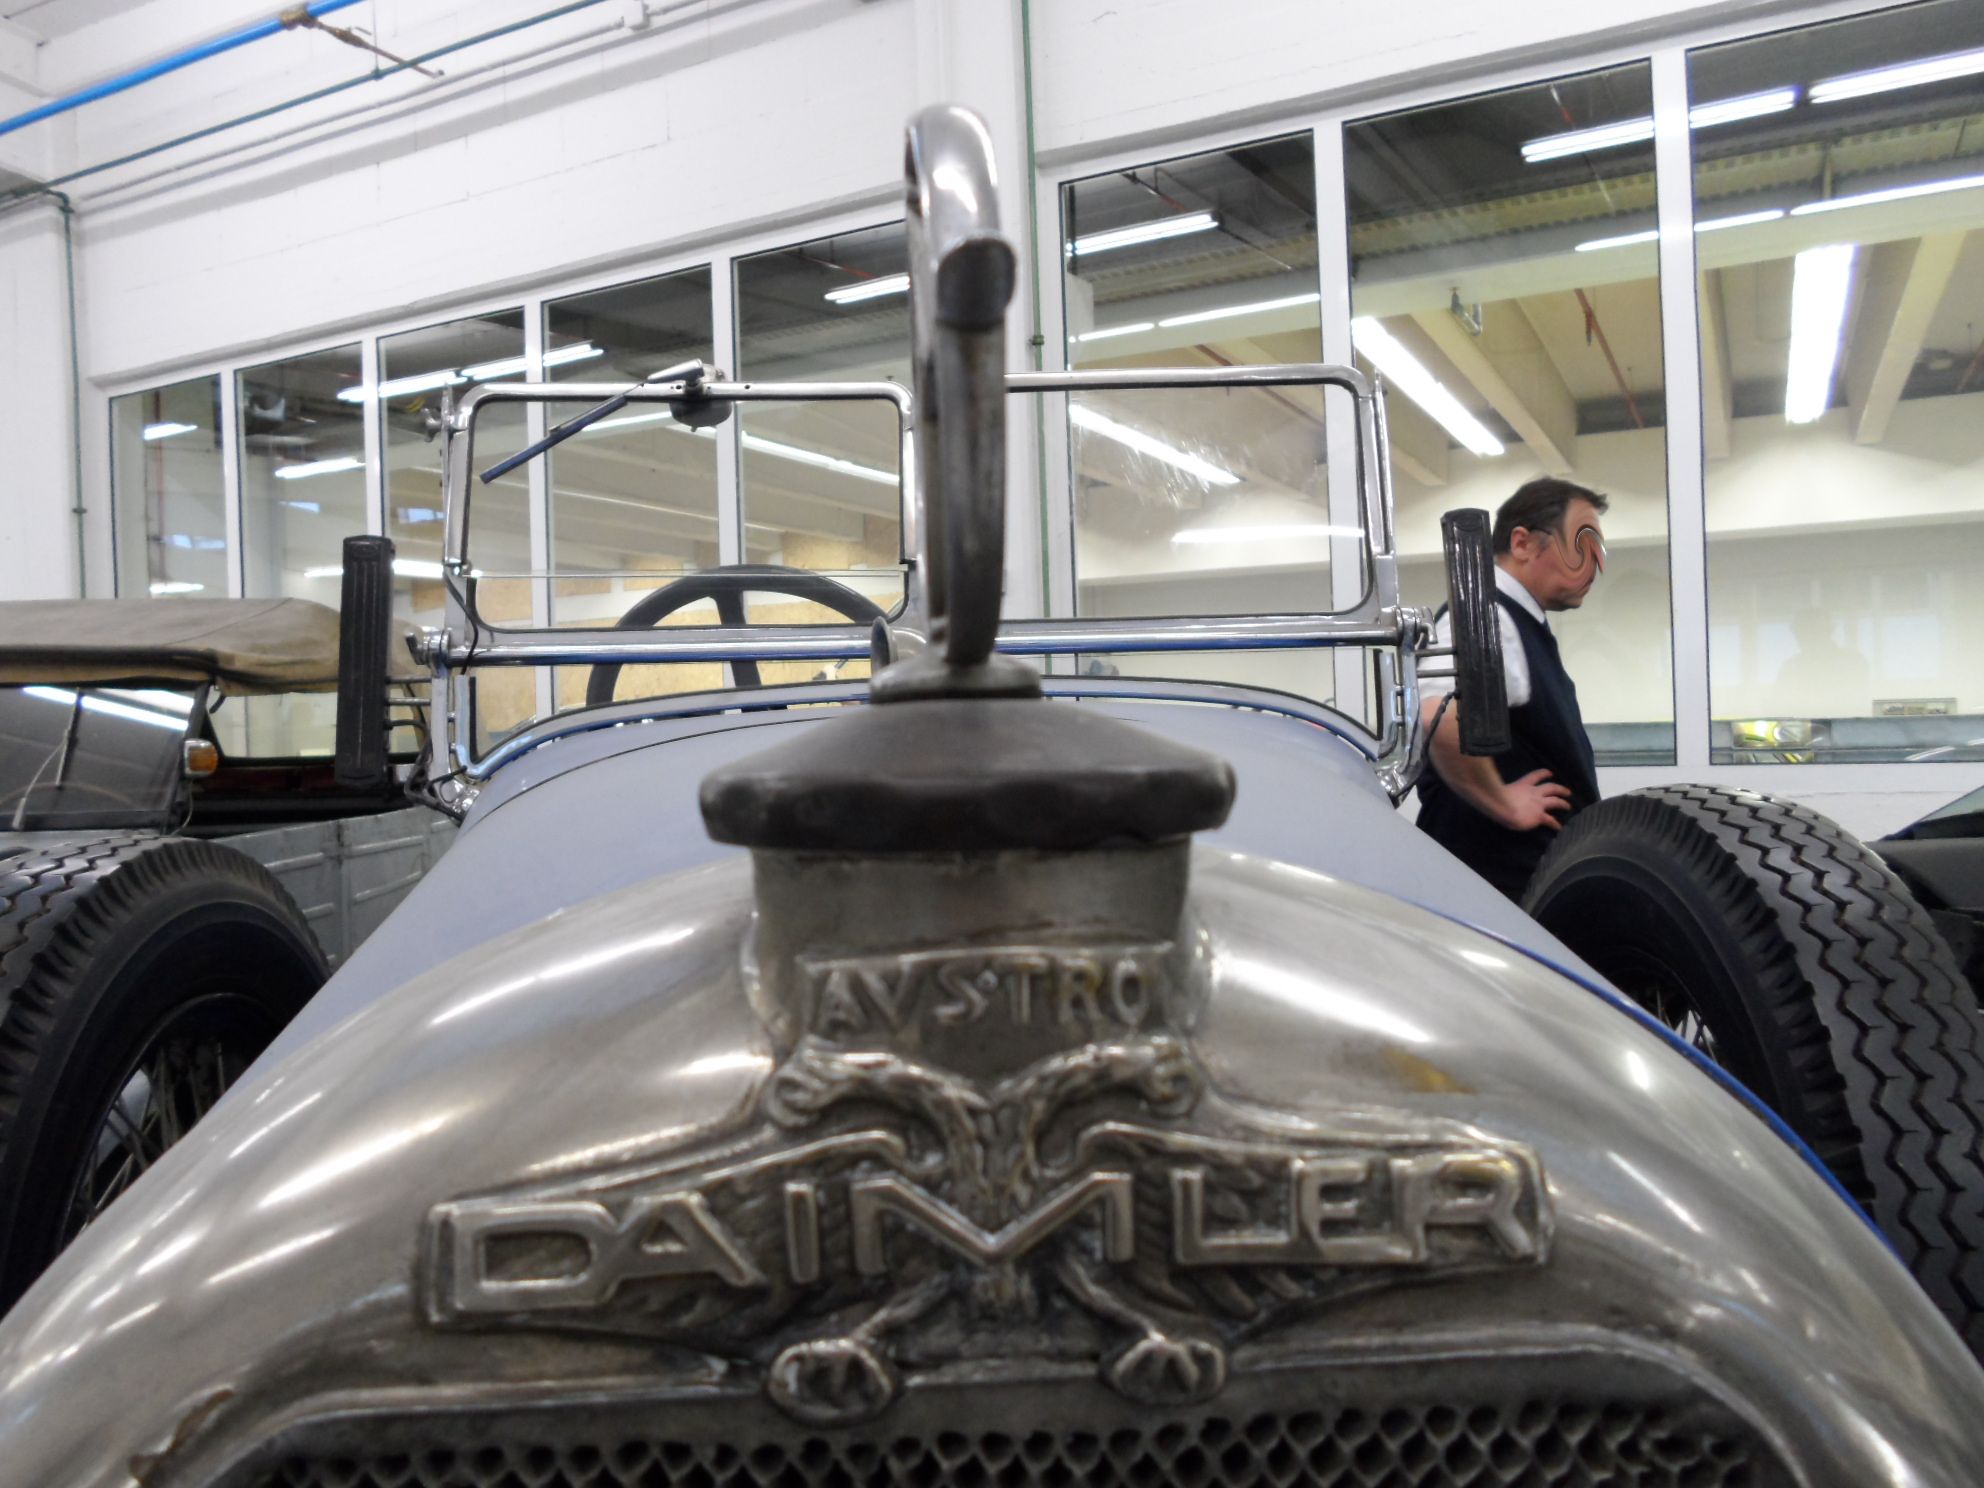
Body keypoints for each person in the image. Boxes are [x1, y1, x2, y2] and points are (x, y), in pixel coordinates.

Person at [1415, 477, 1608, 901]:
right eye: (1582, 544)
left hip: (1521, 885)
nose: (1594, 562)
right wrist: (1504, 803)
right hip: (1495, 892)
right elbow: (1438, 717)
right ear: (1522, 543)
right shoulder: (1489, 617)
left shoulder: (1515, 620)